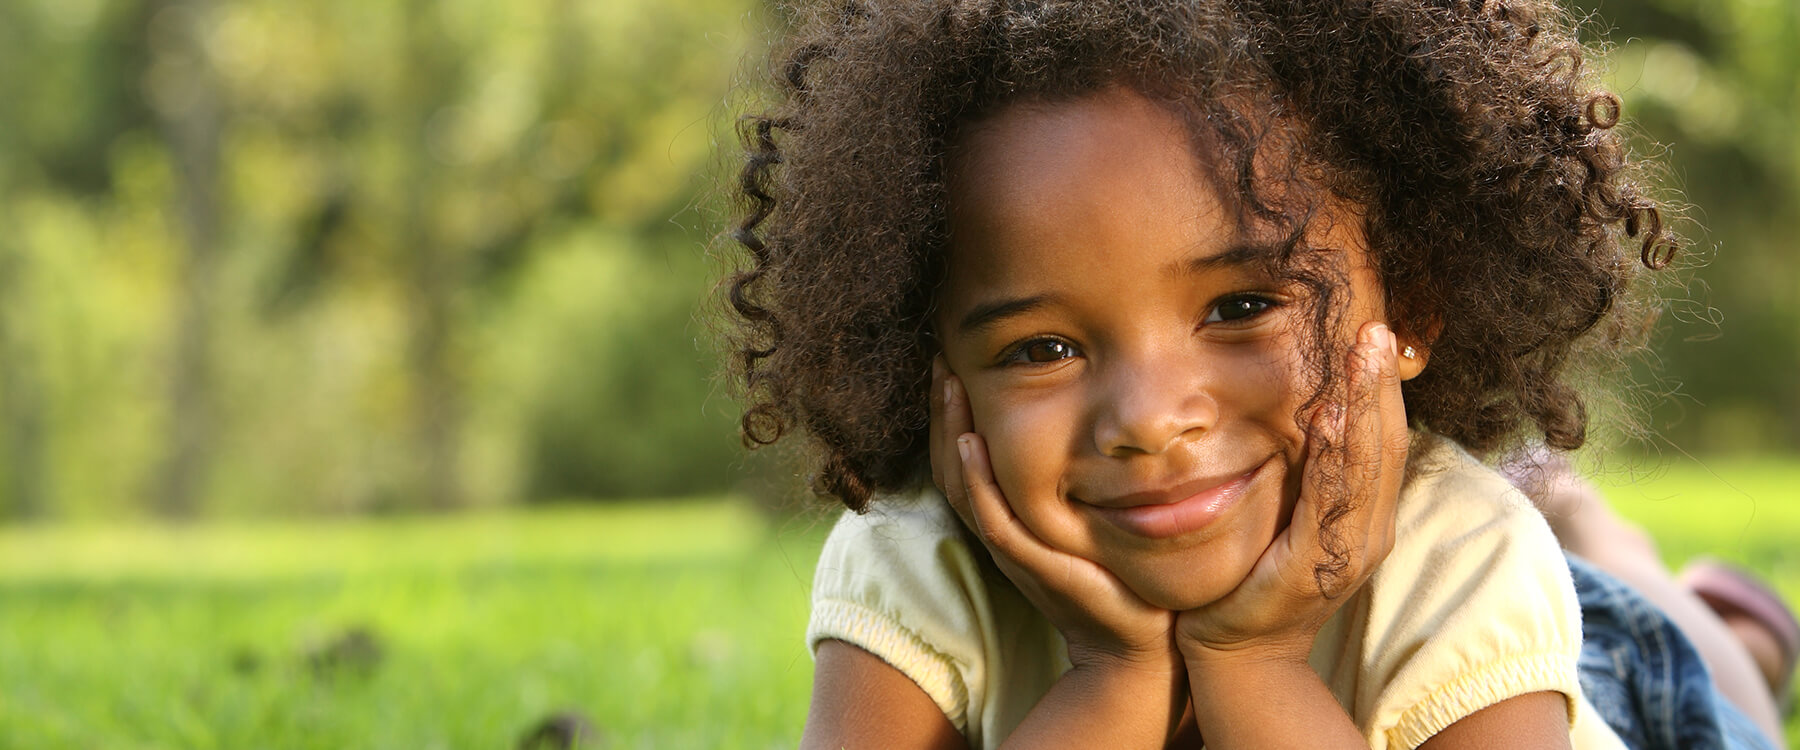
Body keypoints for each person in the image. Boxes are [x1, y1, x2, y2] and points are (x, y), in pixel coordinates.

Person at [718, 1, 1791, 747]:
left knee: (1677, 666)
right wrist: (1115, 674)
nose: (1148, 421)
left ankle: (1651, 572)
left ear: (1409, 308)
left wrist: (1256, 663)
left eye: (1241, 307)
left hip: (1577, 692)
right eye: (1040, 349)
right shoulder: (916, 561)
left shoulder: (1462, 555)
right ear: (931, 364)